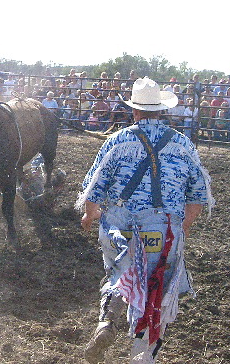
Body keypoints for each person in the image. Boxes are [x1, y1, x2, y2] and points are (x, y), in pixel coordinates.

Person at [78, 77, 214, 364]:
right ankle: (143, 354)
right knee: (158, 286)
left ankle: (107, 321)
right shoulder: (182, 144)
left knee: (120, 272)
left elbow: (94, 187)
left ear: (135, 111)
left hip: (121, 223)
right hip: (164, 228)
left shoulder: (118, 140)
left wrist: (91, 215)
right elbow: (198, 196)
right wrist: (180, 230)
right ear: (161, 111)